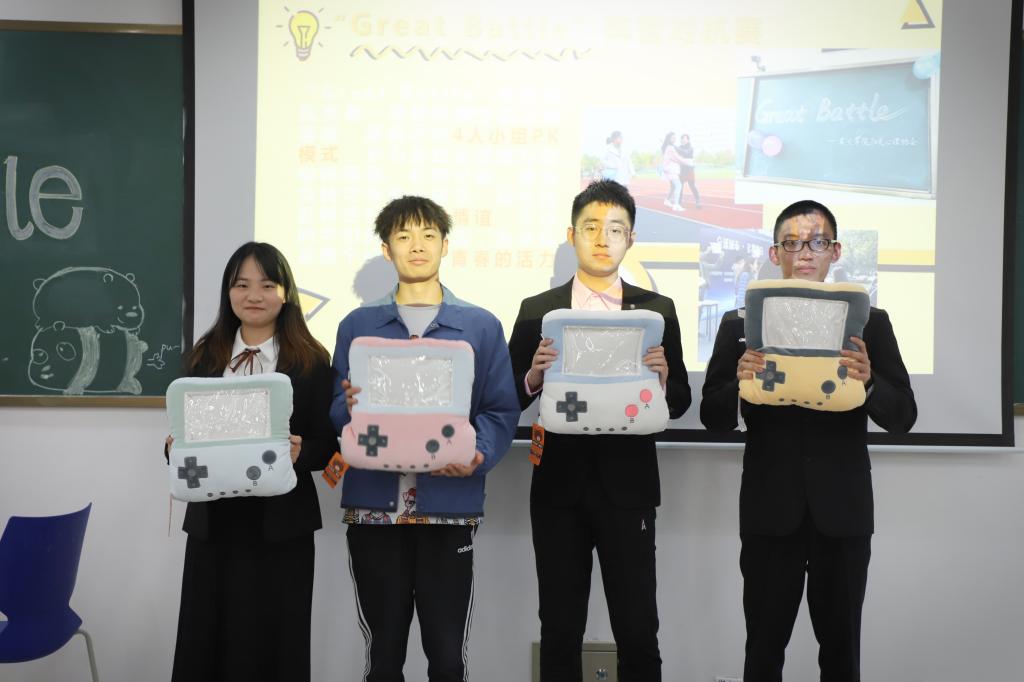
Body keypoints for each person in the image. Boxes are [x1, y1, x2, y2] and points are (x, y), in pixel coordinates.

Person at [700, 200, 917, 682]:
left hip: (843, 512)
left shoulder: (870, 323)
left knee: (841, 653)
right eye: (792, 243)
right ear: (774, 252)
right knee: (762, 651)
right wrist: (738, 382)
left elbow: (904, 416)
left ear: (835, 251)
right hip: (769, 509)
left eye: (817, 242)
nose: (804, 252)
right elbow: (712, 417)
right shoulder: (740, 325)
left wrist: (870, 381)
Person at [507, 180, 691, 681]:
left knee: (638, 627)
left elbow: (679, 401)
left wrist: (664, 378)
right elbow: (508, 396)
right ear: (572, 235)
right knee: (559, 627)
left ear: (631, 238)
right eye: (591, 227)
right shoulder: (537, 309)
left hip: (629, 488)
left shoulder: (656, 310)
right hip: (557, 488)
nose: (602, 239)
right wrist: (533, 376)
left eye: (615, 229)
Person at [330, 195, 519, 682]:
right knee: (383, 658)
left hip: (449, 508)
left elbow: (500, 409)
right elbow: (336, 411)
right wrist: (347, 406)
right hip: (374, 511)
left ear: (445, 244)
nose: (417, 246)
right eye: (404, 236)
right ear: (386, 248)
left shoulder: (480, 326)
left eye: (428, 235)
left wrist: (478, 454)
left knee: (448, 658)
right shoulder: (357, 326)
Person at [168, 242, 337, 682]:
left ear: (286, 293)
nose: (254, 295)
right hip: (214, 525)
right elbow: (181, 435)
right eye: (241, 285)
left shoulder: (311, 360)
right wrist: (173, 448)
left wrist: (303, 452)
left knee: (277, 642)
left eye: (267, 284)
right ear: (228, 293)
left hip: (281, 527)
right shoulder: (205, 356)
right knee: (207, 638)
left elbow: (329, 444)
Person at [659, 132, 685, 212]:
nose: (674, 139)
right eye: (673, 137)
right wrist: (686, 161)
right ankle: (676, 205)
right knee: (678, 185)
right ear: (669, 139)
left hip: (670, 170)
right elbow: (676, 158)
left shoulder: (668, 147)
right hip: (671, 170)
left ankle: (667, 200)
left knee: (673, 187)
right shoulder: (670, 148)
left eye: (675, 137)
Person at [676, 133, 701, 209]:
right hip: (681, 170)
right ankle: (678, 202)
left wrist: (674, 147)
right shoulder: (679, 147)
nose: (682, 140)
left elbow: (685, 152)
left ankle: (698, 200)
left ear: (688, 140)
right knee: (680, 187)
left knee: (692, 186)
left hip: (689, 169)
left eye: (684, 139)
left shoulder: (690, 148)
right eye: (681, 139)